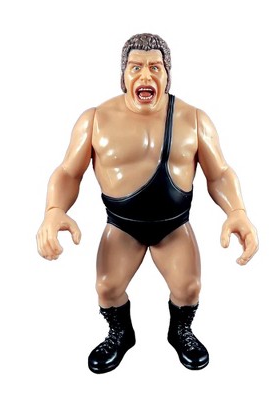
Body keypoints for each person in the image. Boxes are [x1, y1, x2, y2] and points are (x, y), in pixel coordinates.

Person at [36, 33, 259, 374]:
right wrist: (54, 211)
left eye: (155, 67)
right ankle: (120, 333)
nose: (145, 76)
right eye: (135, 67)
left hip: (173, 225)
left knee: (189, 288)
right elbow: (68, 172)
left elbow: (220, 174)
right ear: (123, 75)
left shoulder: (193, 119)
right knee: (107, 287)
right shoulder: (95, 119)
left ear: (167, 75)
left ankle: (180, 330)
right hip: (123, 225)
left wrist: (237, 212)